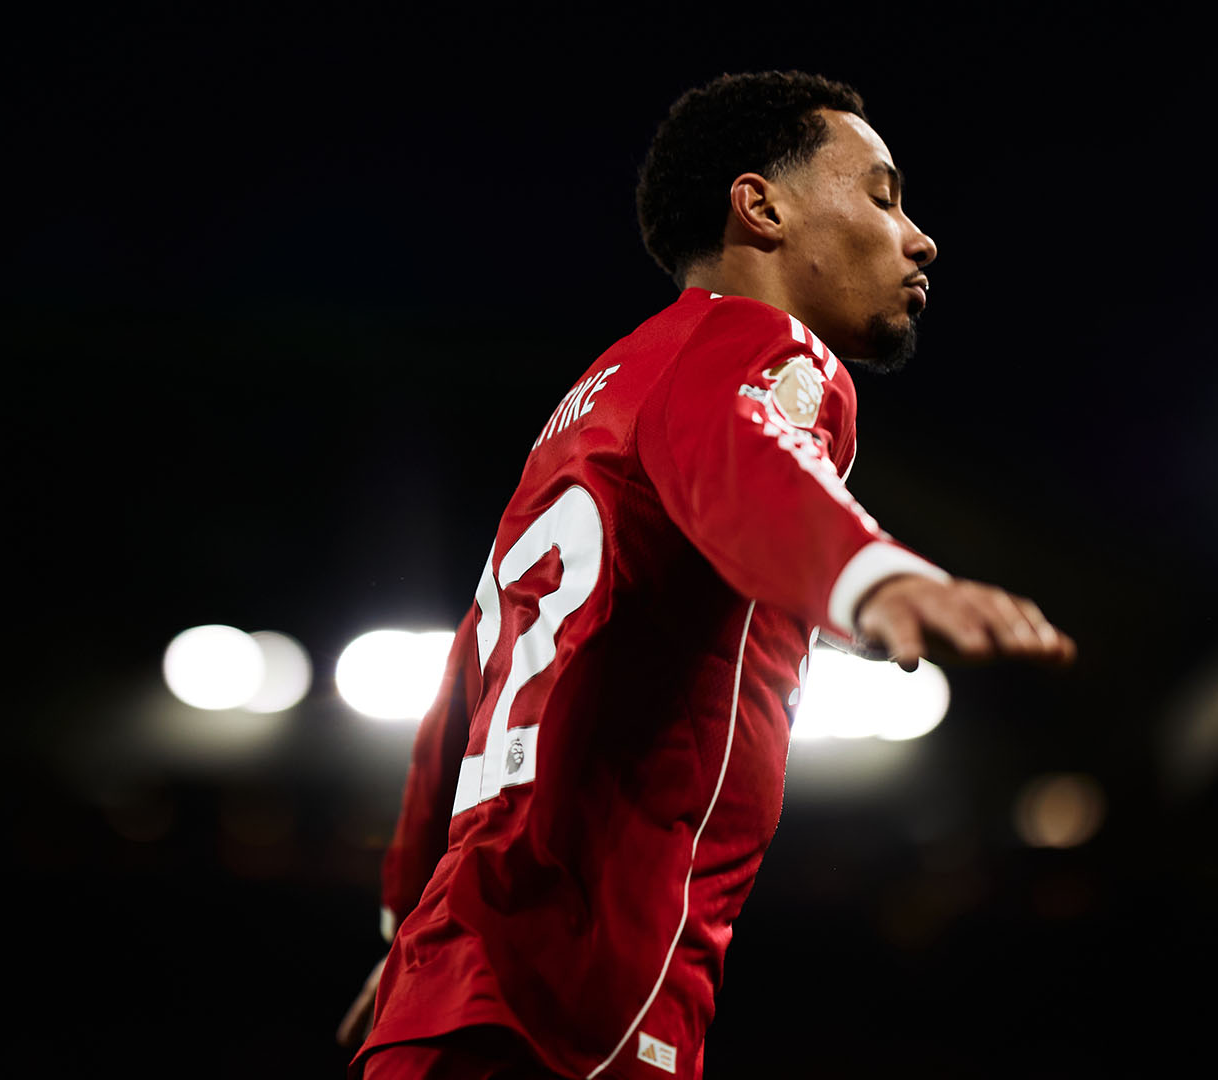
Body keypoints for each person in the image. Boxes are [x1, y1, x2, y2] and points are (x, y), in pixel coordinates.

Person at [339, 70, 1075, 1079]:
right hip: (578, 1006)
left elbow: (465, 690)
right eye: (883, 196)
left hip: (447, 990)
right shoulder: (763, 342)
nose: (920, 238)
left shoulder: (597, 400)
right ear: (760, 208)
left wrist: (405, 926)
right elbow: (747, 453)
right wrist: (874, 578)